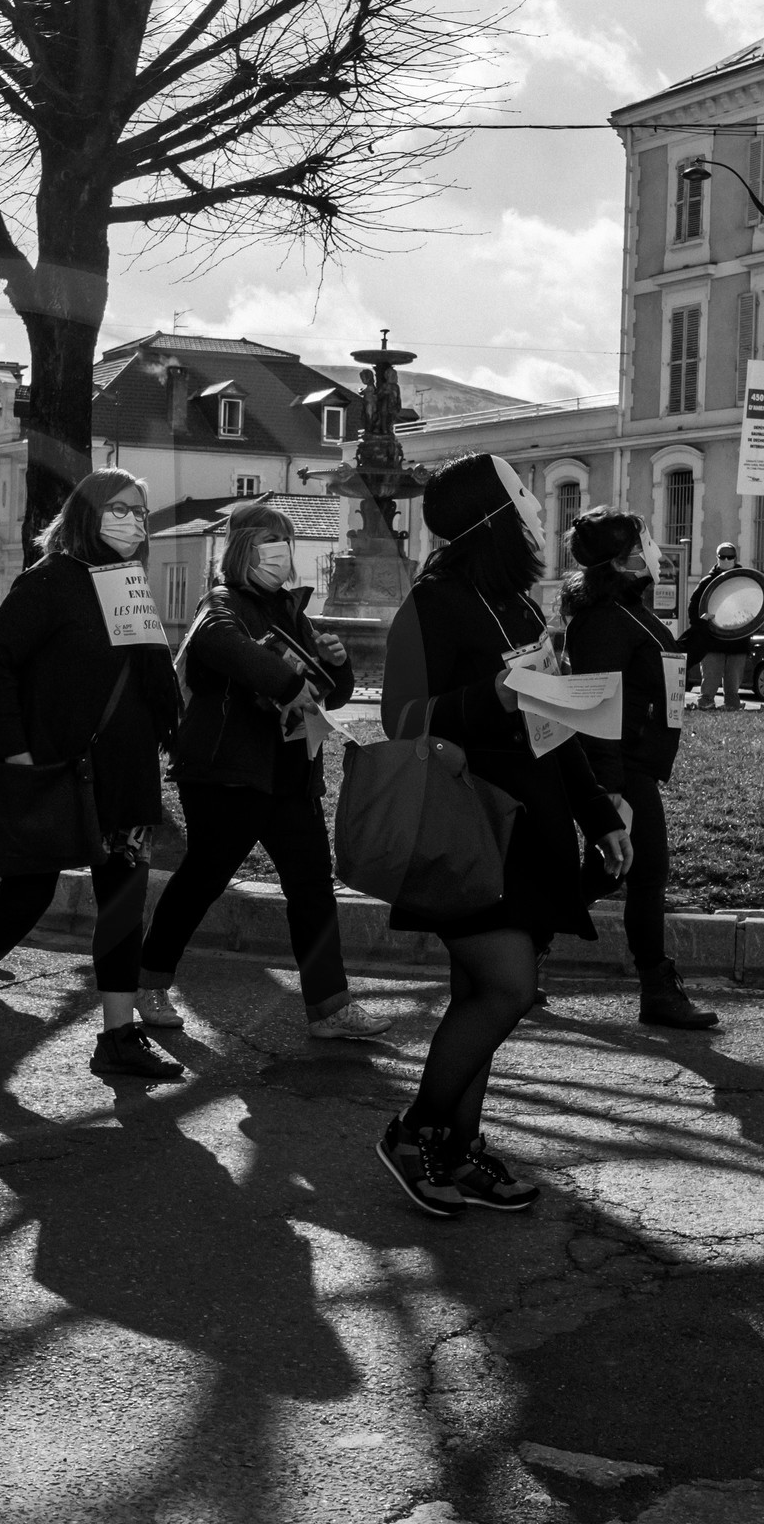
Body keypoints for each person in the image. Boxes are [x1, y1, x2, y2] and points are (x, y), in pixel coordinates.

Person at [377, 453, 632, 1218]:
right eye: (523, 496)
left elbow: (555, 721)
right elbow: (401, 720)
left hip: (532, 824)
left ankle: (459, 1150)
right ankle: (414, 1133)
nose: (535, 510)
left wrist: (599, 814)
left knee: (479, 992)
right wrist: (485, 698)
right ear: (494, 518)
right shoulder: (430, 603)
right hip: (464, 826)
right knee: (510, 987)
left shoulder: (521, 607)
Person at [0, 468, 183, 1080]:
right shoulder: (52, 581)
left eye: (140, 511)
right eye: (118, 508)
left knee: (122, 899)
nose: (132, 521)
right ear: (85, 515)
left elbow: (146, 673)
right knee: (26, 895)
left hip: (123, 771)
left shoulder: (129, 582)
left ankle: (120, 1032)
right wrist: (12, 750)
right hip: (50, 768)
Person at [135, 502, 393, 1039]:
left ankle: (330, 1006)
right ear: (242, 549)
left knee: (311, 889)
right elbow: (219, 645)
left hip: (287, 774)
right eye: (267, 541)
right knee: (203, 878)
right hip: (227, 773)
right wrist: (287, 682)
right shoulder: (221, 602)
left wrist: (337, 662)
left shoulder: (290, 611)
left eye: (286, 541)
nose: (280, 552)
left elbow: (333, 694)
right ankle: (149, 980)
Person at [563, 507, 718, 1030]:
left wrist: (710, 631)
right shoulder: (603, 619)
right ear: (622, 556)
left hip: (635, 761)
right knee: (646, 874)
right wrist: (607, 789)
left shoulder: (625, 607)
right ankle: (657, 989)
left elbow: (665, 662)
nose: (652, 547)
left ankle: (525, 939)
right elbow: (596, 703)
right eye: (641, 540)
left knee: (607, 873)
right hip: (622, 764)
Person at [687, 541, 750, 709]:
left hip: (738, 641)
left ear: (735, 558)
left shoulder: (745, 580)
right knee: (710, 682)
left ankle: (732, 708)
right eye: (723, 557)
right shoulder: (707, 582)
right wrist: (701, 626)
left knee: (733, 686)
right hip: (713, 641)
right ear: (717, 558)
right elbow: (693, 608)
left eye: (730, 557)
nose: (726, 560)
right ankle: (705, 704)